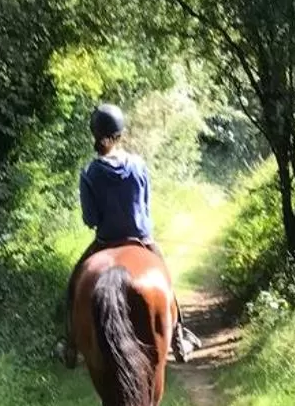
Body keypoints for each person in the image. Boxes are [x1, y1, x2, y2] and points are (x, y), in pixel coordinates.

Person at [62, 103, 198, 366]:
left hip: (105, 242)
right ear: (120, 134)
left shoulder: (90, 173)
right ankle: (180, 335)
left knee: (74, 283)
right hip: (143, 240)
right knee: (166, 280)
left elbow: (90, 219)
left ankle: (70, 344)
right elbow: (145, 205)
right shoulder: (138, 165)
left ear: (95, 134)